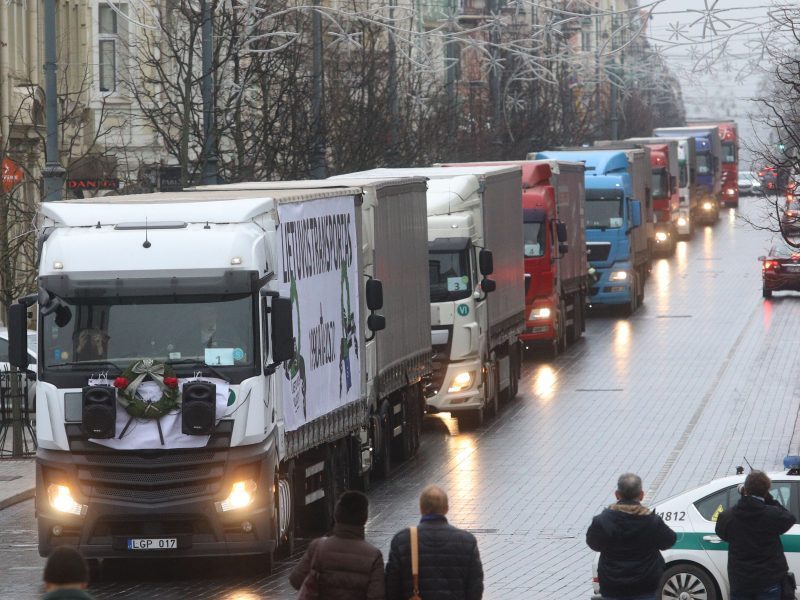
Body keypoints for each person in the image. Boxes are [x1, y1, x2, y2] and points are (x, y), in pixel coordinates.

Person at [586, 473, 676, 600]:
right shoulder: (652, 522)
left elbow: (593, 544)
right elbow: (669, 540)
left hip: (612, 586)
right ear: (641, 495)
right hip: (645, 586)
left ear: (617, 494)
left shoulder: (602, 521)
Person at [385, 484, 483, 600]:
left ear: (421, 508)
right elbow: (475, 587)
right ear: (446, 508)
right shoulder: (467, 541)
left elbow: (391, 587)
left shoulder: (402, 540)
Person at [715, 470, 796, 600]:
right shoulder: (772, 515)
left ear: (745, 490)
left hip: (740, 583)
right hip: (769, 581)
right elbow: (789, 518)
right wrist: (768, 498)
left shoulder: (728, 517)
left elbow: (721, 533)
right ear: (766, 491)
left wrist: (745, 497)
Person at [289, 490, 385, 599]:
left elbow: (295, 580)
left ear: (337, 515)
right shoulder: (374, 556)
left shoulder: (318, 547)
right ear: (364, 518)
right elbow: (377, 595)